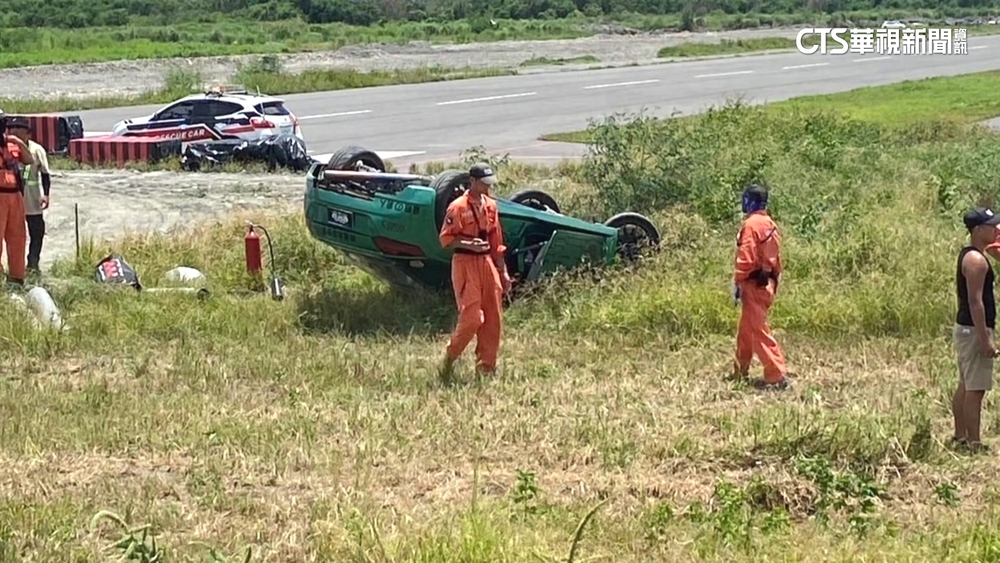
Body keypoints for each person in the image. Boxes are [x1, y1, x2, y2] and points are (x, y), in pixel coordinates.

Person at [438, 163, 513, 379]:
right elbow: (446, 239)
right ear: (472, 182)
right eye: (484, 183)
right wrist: (470, 244)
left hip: (487, 262)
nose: (488, 188)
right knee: (472, 318)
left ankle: (486, 367)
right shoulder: (457, 207)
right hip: (465, 263)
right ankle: (450, 357)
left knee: (493, 318)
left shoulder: (491, 206)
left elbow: (497, 242)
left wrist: (504, 272)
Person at [732, 184, 791, 390]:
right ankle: (740, 370)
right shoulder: (770, 224)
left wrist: (738, 280)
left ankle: (776, 376)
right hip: (768, 284)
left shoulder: (751, 225)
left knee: (758, 331)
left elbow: (746, 258)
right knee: (746, 330)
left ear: (749, 201)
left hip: (753, 285)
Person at [952, 207, 1000, 452]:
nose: (996, 229)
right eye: (992, 225)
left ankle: (961, 435)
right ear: (978, 230)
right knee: (976, 388)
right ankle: (974, 442)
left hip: (967, 329)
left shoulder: (974, 255)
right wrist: (985, 339)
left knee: (966, 383)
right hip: (974, 330)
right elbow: (975, 301)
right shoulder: (976, 261)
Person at [6, 117, 50, 273]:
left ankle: (32, 264)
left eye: (20, 133)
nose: (15, 136)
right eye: (12, 132)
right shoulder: (6, 149)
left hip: (32, 199)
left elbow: (45, 174)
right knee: (14, 236)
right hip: (11, 198)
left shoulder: (36, 150)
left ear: (28, 135)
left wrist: (46, 195)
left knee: (36, 232)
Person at [0, 109, 35, 287]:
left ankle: (16, 278)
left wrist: (20, 144)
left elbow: (29, 162)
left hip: (15, 196)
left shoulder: (13, 145)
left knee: (18, 238)